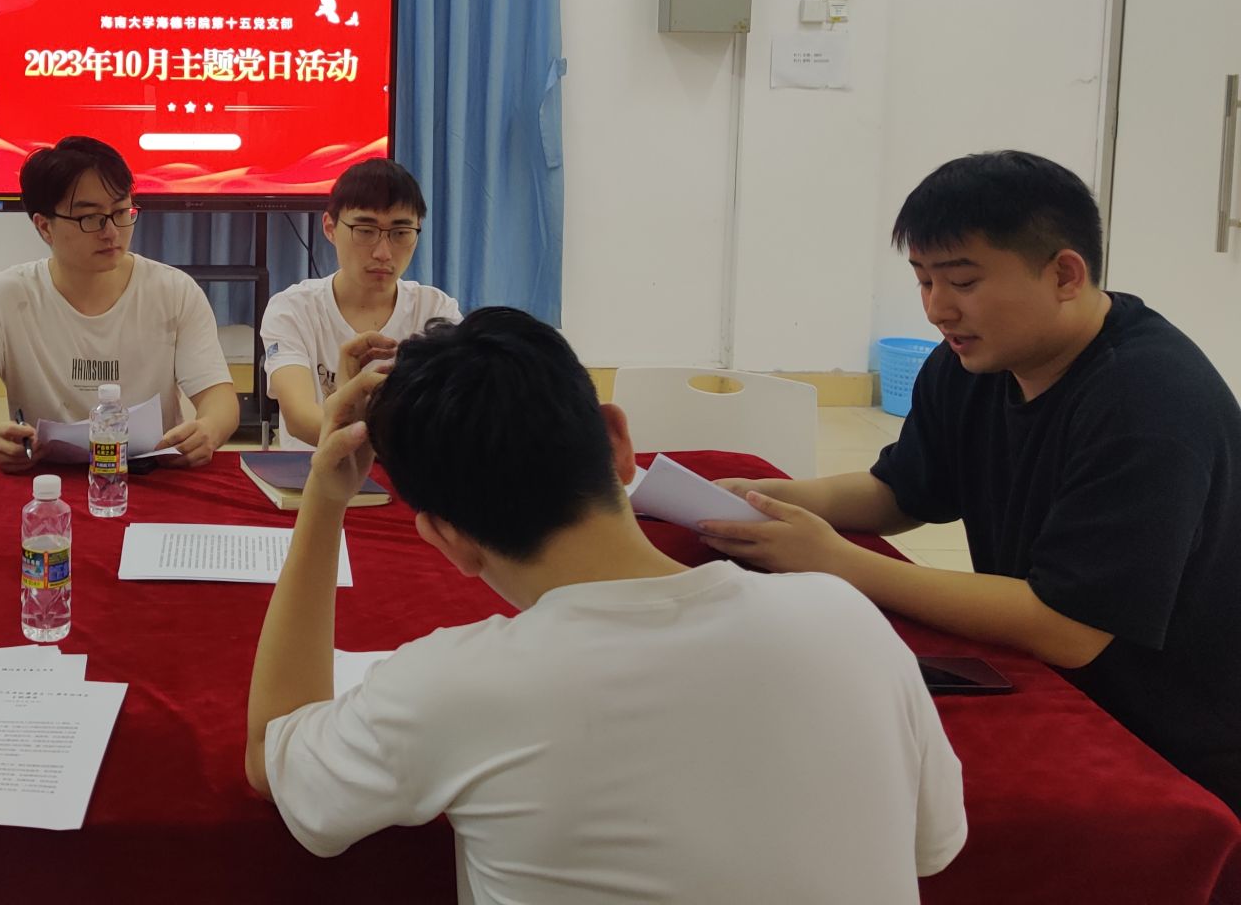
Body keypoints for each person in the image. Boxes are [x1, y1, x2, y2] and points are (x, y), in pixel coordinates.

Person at [246, 309, 965, 902]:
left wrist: (325, 499)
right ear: (620, 442)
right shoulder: (847, 618)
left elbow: (272, 753)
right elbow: (932, 848)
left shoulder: (449, 687)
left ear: (447, 540)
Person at [701, 150, 1241, 815]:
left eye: (962, 281)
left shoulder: (1148, 403)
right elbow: (900, 492)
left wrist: (837, 562)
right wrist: (769, 499)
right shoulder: (973, 362)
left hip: (1174, 744)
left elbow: (1069, 627)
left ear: (1065, 274)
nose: (937, 309)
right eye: (923, 281)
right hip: (1054, 681)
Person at [0, 135, 238, 469]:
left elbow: (219, 398)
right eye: (91, 218)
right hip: (46, 478)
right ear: (45, 227)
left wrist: (208, 430)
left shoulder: (174, 291)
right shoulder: (0, 298)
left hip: (152, 475)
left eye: (121, 212)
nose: (111, 232)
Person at [260, 158, 459, 449]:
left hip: (406, 472)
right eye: (365, 231)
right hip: (314, 472)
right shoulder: (292, 309)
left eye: (400, 233)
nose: (383, 253)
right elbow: (300, 419)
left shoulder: (436, 311)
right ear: (330, 227)